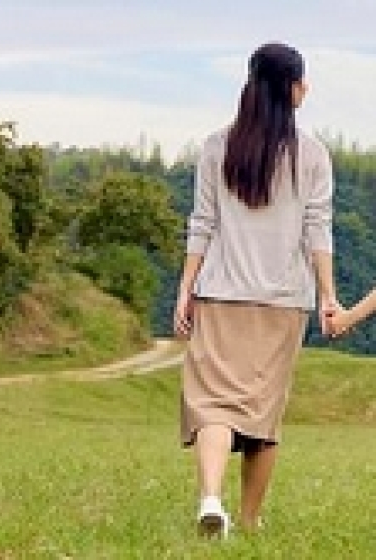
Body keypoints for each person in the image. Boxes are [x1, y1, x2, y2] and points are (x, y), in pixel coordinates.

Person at [173, 42, 338, 537]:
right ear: (293, 88)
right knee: (263, 415)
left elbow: (202, 223)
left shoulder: (216, 146)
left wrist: (185, 288)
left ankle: (210, 498)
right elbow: (318, 229)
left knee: (213, 405)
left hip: (220, 293)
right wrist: (328, 295)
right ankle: (248, 519)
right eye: (303, 81)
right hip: (283, 302)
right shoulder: (312, 154)